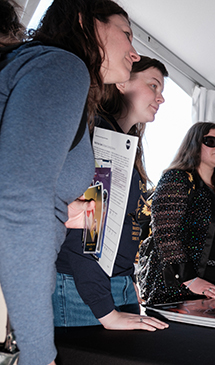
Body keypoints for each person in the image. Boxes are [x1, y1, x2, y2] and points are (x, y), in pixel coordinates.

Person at [0, 0, 141, 364]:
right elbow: (18, 201)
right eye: (126, 34)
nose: (135, 52)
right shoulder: (64, 66)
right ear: (84, 21)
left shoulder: (36, 66)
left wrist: (62, 211)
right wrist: (37, 352)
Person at [53, 56, 169, 331]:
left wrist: (126, 283)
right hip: (83, 289)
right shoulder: (99, 134)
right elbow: (85, 232)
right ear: (121, 83)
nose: (160, 98)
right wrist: (106, 310)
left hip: (114, 284)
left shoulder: (125, 145)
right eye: (153, 85)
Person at [138, 122, 215, 306]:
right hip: (179, 292)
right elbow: (165, 234)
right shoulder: (177, 178)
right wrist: (189, 279)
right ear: (193, 144)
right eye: (211, 141)